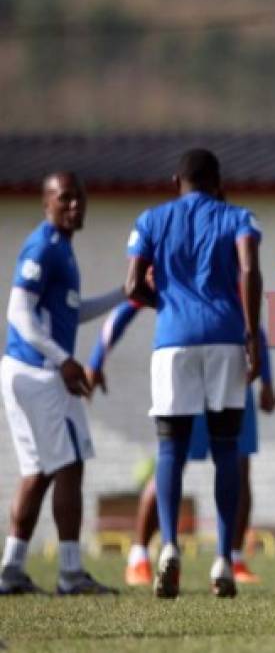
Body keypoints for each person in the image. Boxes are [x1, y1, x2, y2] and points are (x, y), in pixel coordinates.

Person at [124, 148, 263, 599]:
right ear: (218, 182)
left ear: (174, 181)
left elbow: (131, 286)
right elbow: (249, 270)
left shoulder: (150, 220)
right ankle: (224, 557)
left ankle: (167, 548)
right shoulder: (239, 217)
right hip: (225, 337)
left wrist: (164, 303)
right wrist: (251, 334)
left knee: (170, 449)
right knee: (227, 449)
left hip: (172, 341)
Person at [84, 291, 275, 586]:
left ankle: (233, 556)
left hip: (225, 361)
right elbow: (133, 295)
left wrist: (267, 381)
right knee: (175, 456)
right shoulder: (175, 249)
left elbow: (252, 318)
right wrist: (96, 359)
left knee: (235, 462)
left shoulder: (227, 252)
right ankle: (139, 554)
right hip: (202, 358)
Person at [0, 172, 122, 595]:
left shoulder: (63, 251)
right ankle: (71, 573)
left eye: (80, 198)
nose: (75, 206)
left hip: (28, 369)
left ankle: (11, 569)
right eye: (64, 198)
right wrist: (64, 361)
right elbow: (18, 313)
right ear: (46, 203)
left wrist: (125, 294)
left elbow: (74, 312)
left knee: (37, 470)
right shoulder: (44, 246)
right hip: (38, 371)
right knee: (69, 464)